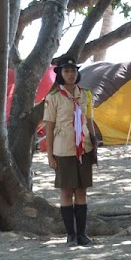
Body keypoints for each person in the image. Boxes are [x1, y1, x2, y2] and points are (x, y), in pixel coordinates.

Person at [43, 56, 97, 247]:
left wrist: (94, 142)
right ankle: (70, 235)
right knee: (66, 191)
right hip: (63, 149)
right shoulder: (53, 97)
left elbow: (89, 120)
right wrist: (50, 155)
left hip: (84, 148)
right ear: (60, 74)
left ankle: (82, 234)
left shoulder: (85, 94)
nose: (71, 74)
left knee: (81, 191)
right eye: (66, 71)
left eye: (73, 70)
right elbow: (49, 127)